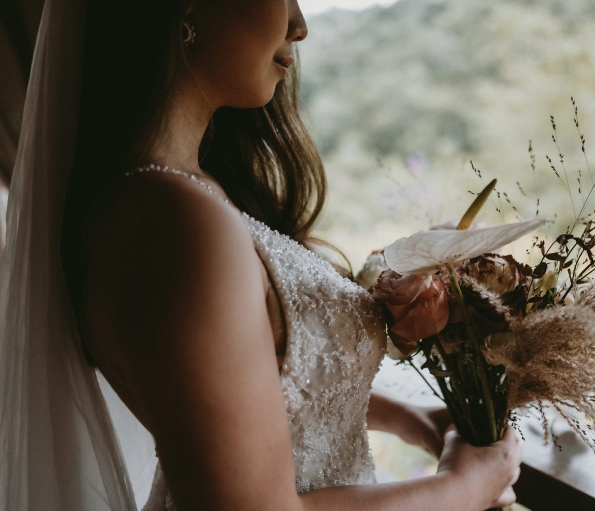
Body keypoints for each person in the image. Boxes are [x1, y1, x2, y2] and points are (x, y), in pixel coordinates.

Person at [0, 0, 522, 510]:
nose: (298, 25)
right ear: (188, 9)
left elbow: (261, 382)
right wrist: (466, 486)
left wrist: (409, 419)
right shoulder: (172, 221)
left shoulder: (180, 196)